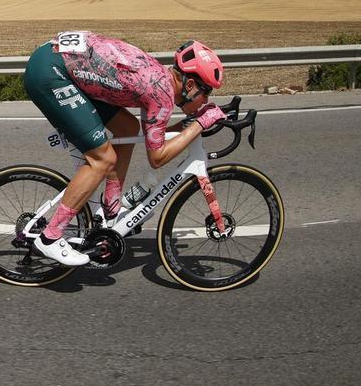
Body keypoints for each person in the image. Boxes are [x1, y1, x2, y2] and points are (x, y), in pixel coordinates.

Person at [23, 32, 226, 266]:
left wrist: (188, 126)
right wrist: (201, 122)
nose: (206, 100)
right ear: (190, 85)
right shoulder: (161, 93)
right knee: (102, 160)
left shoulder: (159, 77)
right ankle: (50, 238)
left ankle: (111, 208)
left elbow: (154, 135)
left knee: (128, 128)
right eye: (207, 92)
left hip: (59, 61)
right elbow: (157, 157)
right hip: (51, 73)